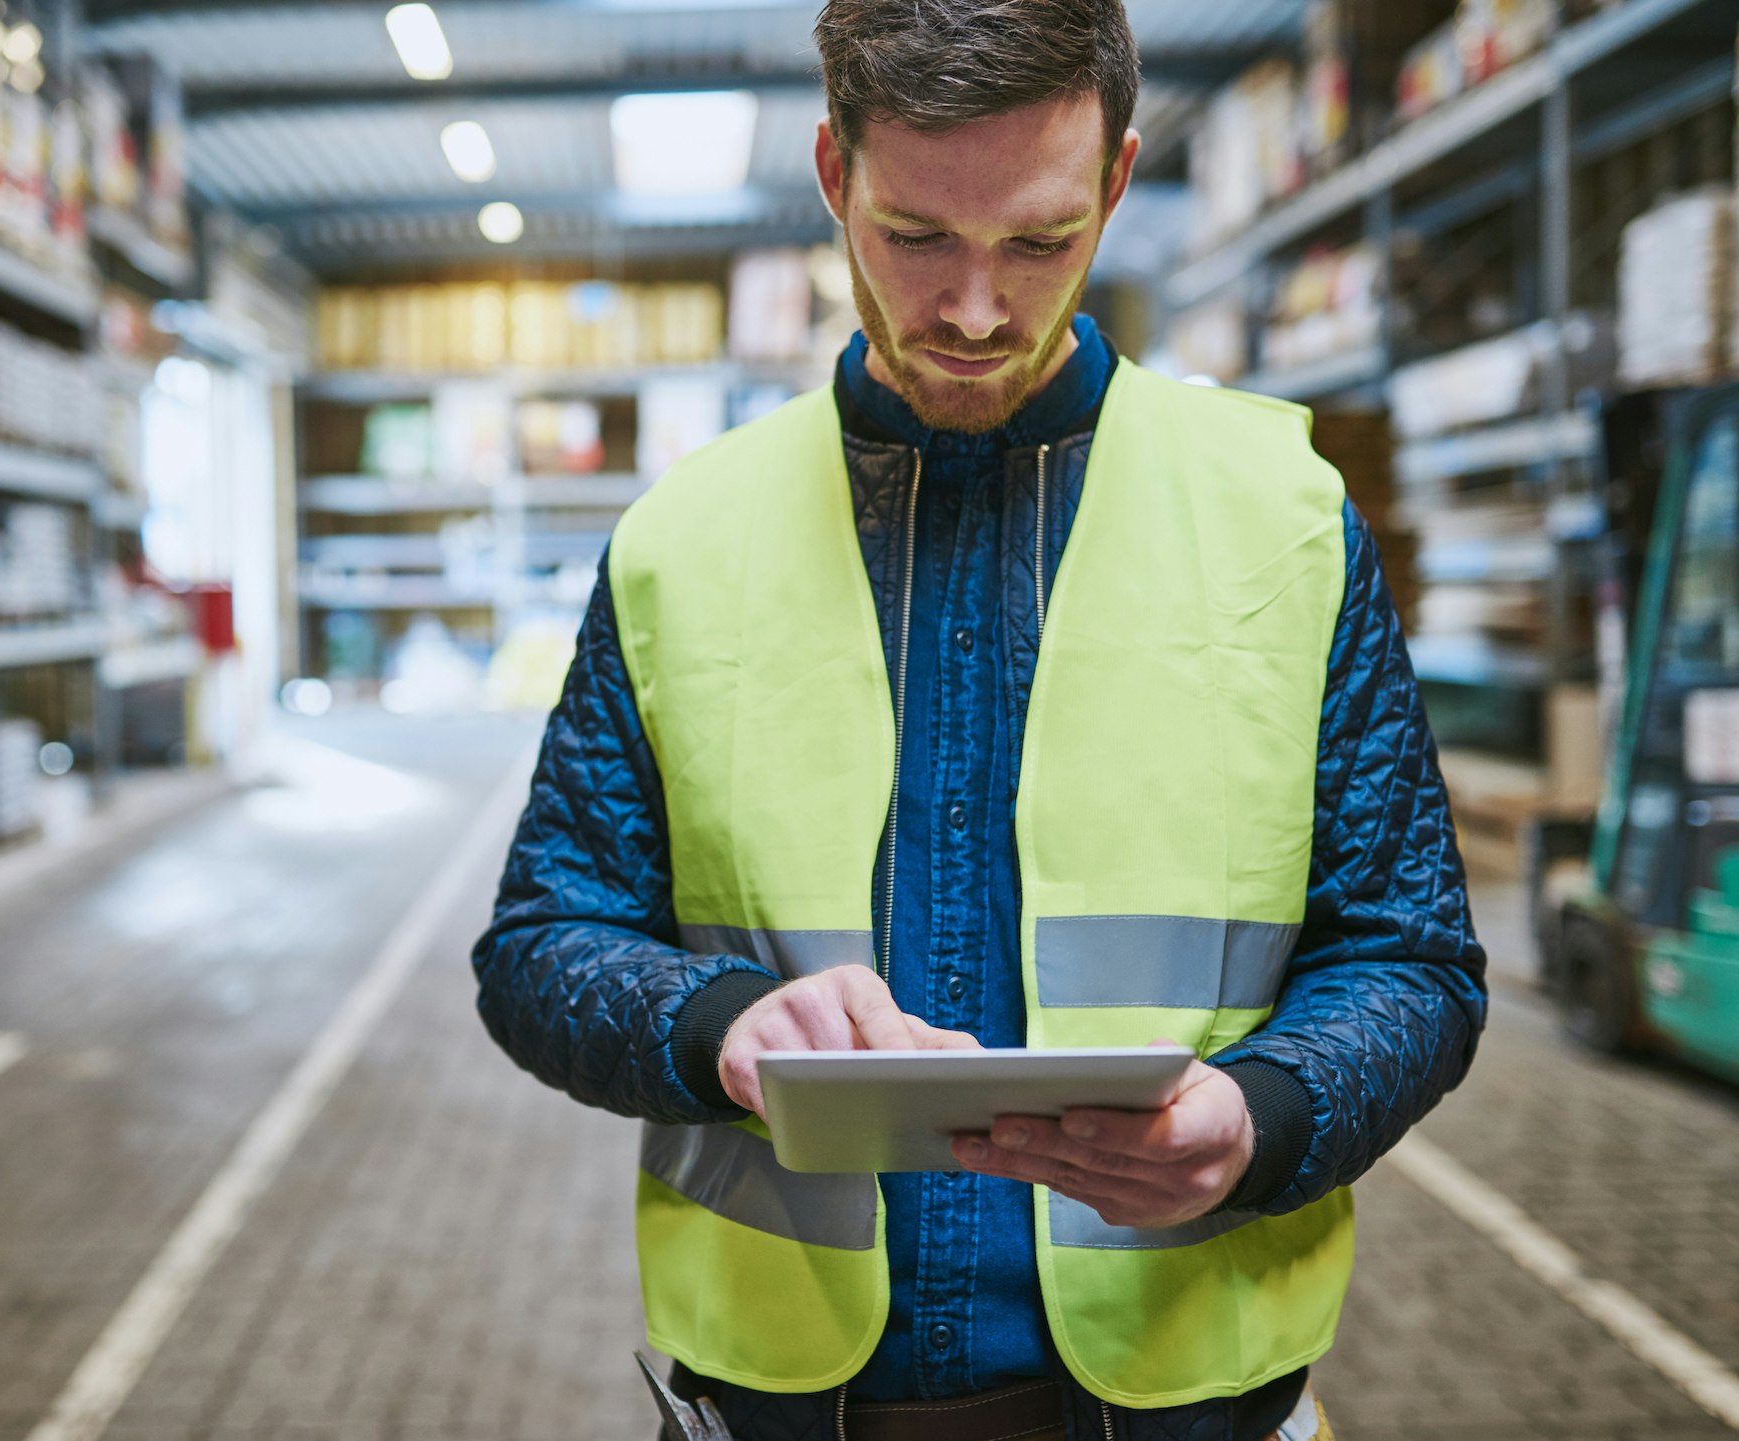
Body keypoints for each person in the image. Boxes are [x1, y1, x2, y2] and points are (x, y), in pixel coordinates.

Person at [472, 0, 1488, 1434]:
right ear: (834, 175)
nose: (969, 309)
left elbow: (1412, 957)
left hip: (1184, 1397)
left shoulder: (1285, 523)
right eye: (913, 236)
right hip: (783, 1405)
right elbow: (539, 945)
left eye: (1033, 242)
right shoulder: (678, 542)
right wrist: (714, 1024)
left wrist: (1263, 1117)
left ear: (1115, 184)